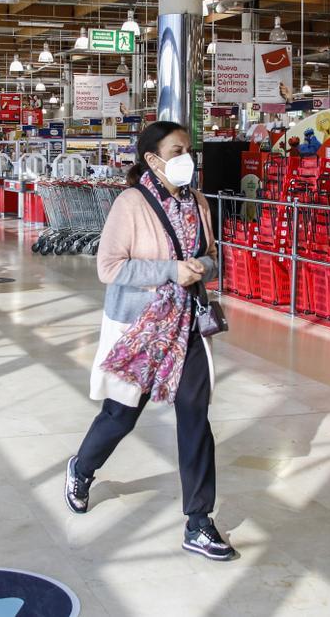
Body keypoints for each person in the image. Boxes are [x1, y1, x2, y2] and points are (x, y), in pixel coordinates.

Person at [63, 121, 235, 562]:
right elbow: (109, 267)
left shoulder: (197, 202)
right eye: (178, 150)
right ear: (153, 159)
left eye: (189, 150)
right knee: (121, 414)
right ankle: (82, 469)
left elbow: (213, 256)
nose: (187, 159)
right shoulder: (130, 203)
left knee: (195, 419)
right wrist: (169, 271)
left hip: (188, 327)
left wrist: (201, 266)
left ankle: (199, 522)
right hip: (141, 330)